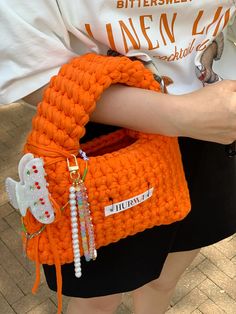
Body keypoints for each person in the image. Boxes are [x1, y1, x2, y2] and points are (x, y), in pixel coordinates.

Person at [1, 1, 236, 313]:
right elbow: (24, 69)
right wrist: (178, 115)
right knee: (99, 299)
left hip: (216, 113)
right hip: (97, 130)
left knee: (165, 279)